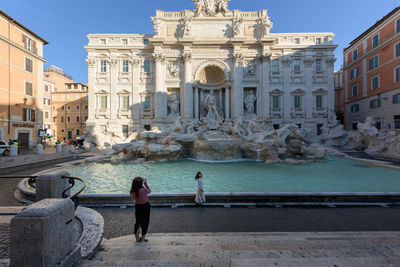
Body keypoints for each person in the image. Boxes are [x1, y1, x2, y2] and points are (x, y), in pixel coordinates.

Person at [130, 177, 151, 242]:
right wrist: (146, 184)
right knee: (145, 222)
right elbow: (149, 191)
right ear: (140, 183)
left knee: (138, 223)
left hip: (138, 206)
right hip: (145, 206)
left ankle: (137, 239)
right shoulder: (144, 190)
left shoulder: (133, 191)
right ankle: (143, 238)